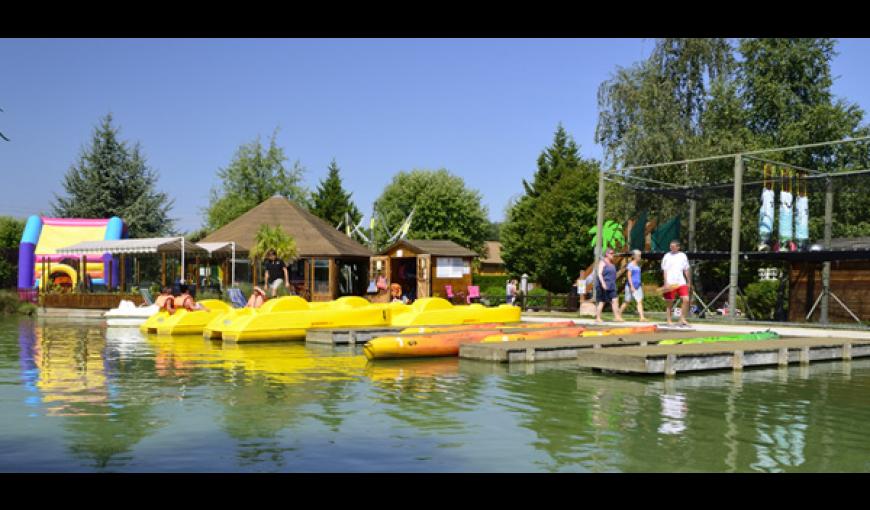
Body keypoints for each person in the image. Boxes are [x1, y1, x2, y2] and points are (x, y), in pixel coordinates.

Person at [661, 240, 691, 327]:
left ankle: (682, 319)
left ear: (678, 247)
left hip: (681, 282)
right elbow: (665, 270)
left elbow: (686, 269)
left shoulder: (683, 256)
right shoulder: (667, 256)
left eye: (673, 246)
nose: (671, 248)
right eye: (670, 246)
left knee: (686, 299)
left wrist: (688, 281)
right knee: (670, 302)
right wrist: (666, 282)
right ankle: (669, 320)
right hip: (670, 282)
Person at [595, 248, 624, 322]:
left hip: (611, 285)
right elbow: (599, 274)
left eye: (613, 253)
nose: (613, 254)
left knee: (615, 300)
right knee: (602, 301)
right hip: (603, 285)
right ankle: (597, 318)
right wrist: (603, 283)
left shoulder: (612, 263)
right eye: (611, 253)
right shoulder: (602, 262)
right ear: (607, 254)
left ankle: (617, 317)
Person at [619, 249, 647, 321]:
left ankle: (642, 317)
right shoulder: (630, 265)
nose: (640, 257)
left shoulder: (638, 265)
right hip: (630, 286)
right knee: (627, 301)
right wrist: (631, 286)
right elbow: (628, 276)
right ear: (634, 256)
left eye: (640, 255)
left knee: (639, 301)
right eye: (639, 255)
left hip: (638, 286)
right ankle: (618, 315)